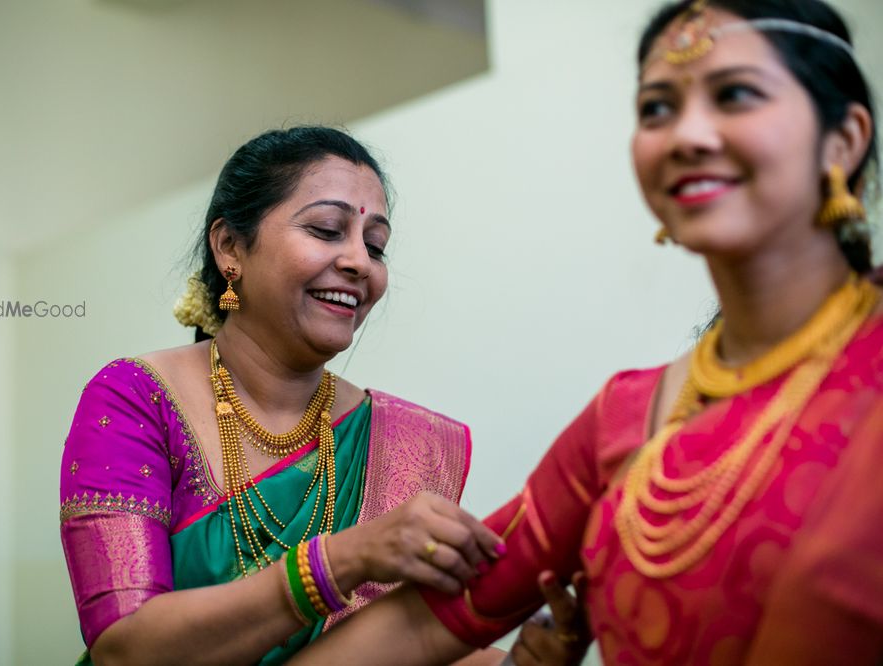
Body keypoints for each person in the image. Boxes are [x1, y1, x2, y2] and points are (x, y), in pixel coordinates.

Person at [288, 1, 883, 664]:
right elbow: (429, 624)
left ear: (845, 138)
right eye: (657, 108)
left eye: (735, 95)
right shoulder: (624, 419)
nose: (687, 135)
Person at [58, 126, 587, 666]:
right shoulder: (135, 401)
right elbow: (125, 651)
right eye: (328, 229)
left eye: (375, 245)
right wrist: (340, 561)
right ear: (230, 247)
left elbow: (398, 651)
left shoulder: (405, 444)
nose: (360, 262)